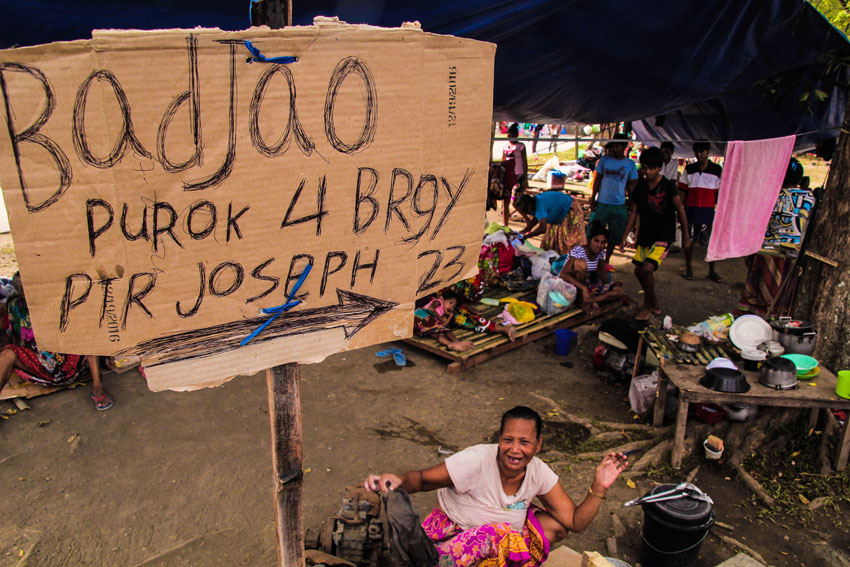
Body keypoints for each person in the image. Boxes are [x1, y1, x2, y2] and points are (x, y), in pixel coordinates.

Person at [365, 406, 628, 567]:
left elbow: (575, 522)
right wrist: (399, 480)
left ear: (538, 445)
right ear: (498, 440)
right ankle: (431, 560)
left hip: (498, 542)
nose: (515, 449)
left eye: (524, 442)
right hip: (451, 535)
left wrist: (599, 486)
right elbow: (422, 479)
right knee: (495, 534)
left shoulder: (538, 472)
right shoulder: (477, 459)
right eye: (508, 440)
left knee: (555, 527)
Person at [0, 272, 111, 410]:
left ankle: (97, 387)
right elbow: (13, 337)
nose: (25, 292)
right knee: (7, 354)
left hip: (69, 362)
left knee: (86, 332)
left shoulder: (56, 299)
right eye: (21, 289)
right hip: (40, 365)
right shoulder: (15, 306)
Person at [623, 147, 690, 320]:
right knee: (638, 271)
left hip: (663, 235)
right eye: (644, 168)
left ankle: (647, 306)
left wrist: (686, 237)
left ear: (659, 167)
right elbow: (633, 212)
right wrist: (625, 235)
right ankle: (653, 301)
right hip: (645, 235)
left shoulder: (668, 186)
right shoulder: (640, 187)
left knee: (647, 268)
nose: (646, 172)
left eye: (650, 168)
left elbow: (680, 211)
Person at [589, 132, 638, 263]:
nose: (614, 149)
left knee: (614, 235)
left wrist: (633, 201)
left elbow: (632, 185)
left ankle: (607, 260)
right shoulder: (604, 160)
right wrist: (593, 197)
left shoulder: (630, 164)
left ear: (624, 147)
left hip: (619, 204)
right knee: (594, 231)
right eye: (613, 146)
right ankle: (592, 259)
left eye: (617, 146)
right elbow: (597, 179)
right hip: (603, 202)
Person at [413, 290, 514, 352]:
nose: (451, 307)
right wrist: (440, 319)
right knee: (443, 329)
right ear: (441, 298)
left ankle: (452, 344)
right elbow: (430, 309)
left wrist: (450, 316)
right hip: (420, 316)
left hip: (420, 327)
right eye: (450, 303)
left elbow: (444, 325)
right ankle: (457, 342)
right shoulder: (437, 302)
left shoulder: (444, 312)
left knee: (442, 333)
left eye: (453, 306)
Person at [679, 140, 722, 281]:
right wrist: (681, 211)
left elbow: (719, 194)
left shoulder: (717, 170)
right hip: (691, 211)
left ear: (708, 151)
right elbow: (683, 192)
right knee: (688, 241)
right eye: (696, 152)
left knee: (710, 243)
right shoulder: (689, 169)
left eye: (701, 151)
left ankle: (712, 271)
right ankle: (688, 268)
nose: (699, 154)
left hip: (708, 212)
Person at [559, 222, 624, 315]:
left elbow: (602, 273)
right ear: (589, 240)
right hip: (573, 285)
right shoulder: (579, 250)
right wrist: (583, 288)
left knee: (619, 291)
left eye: (603, 242)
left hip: (588, 284)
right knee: (581, 264)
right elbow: (563, 274)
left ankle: (590, 300)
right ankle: (581, 301)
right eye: (596, 241)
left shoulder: (601, 252)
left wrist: (610, 286)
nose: (599, 245)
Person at [501, 123, 529, 226]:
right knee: (505, 202)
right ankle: (505, 225)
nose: (510, 137)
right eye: (509, 135)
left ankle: (528, 220)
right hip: (508, 176)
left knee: (515, 202)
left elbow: (524, 162)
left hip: (519, 176)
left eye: (512, 135)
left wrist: (525, 178)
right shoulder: (505, 146)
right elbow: (503, 161)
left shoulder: (520, 146)